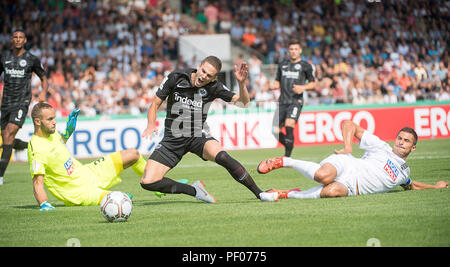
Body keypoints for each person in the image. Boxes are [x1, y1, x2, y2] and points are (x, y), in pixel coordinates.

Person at [140, 55, 278, 203]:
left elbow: (243, 104)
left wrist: (241, 84)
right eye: (203, 71)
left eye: (209, 75)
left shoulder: (214, 86)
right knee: (148, 182)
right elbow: (155, 103)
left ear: (213, 78)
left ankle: (260, 194)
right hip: (172, 139)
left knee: (223, 157)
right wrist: (150, 124)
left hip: (197, 135)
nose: (203, 76)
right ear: (199, 66)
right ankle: (194, 190)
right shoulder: (176, 77)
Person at [257, 120, 448, 199]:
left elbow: (411, 185)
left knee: (331, 192)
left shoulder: (404, 172)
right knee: (323, 176)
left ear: (413, 148)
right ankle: (284, 161)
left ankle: (285, 193)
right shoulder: (380, 146)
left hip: (352, 188)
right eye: (400, 138)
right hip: (347, 163)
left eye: (406, 141)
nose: (401, 142)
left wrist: (436, 187)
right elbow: (349, 124)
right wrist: (348, 147)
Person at [27, 102, 147, 211]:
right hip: (79, 193)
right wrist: (44, 203)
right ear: (38, 121)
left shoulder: (51, 133)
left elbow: (60, 144)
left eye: (54, 118)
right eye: (50, 119)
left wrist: (69, 131)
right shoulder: (36, 149)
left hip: (88, 172)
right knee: (124, 199)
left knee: (133, 154)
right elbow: (37, 183)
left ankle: (152, 182)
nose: (54, 122)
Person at [0, 29, 48, 185]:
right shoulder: (4, 57)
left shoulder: (31, 59)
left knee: (9, 132)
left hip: (21, 102)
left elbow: (44, 77)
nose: (18, 39)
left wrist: (42, 93)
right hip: (5, 103)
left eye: (21, 37)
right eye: (15, 37)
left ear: (25, 40)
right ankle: (28, 145)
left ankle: (0, 176)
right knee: (7, 138)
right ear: (12, 40)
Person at [269, 39, 317, 157]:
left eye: (296, 49)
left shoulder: (305, 66)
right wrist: (274, 85)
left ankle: (287, 156)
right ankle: (289, 144)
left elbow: (313, 84)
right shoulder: (282, 64)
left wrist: (303, 87)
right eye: (291, 49)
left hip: (295, 101)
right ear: (288, 51)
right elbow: (277, 81)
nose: (293, 51)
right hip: (282, 101)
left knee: (289, 125)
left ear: (300, 51)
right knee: (274, 131)